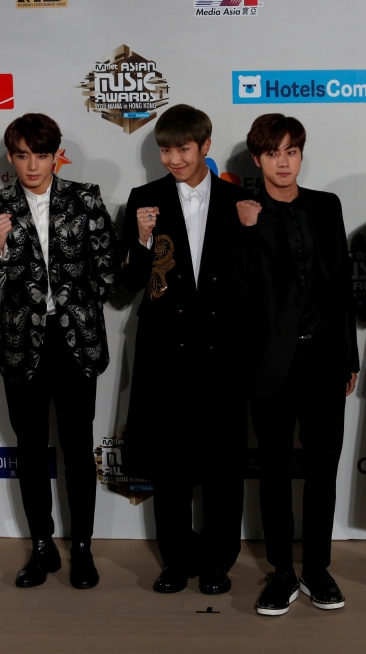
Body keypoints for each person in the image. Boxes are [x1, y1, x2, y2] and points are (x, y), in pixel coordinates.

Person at [0, 113, 120, 590]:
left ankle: (82, 547)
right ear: (11, 157)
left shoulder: (86, 197)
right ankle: (41, 547)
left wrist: (76, 300)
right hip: (21, 346)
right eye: (21, 156)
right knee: (31, 450)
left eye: (40, 155)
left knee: (78, 449)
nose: (32, 166)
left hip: (76, 343)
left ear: (55, 154)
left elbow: (108, 275)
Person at [231, 114, 359, 616]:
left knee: (324, 468)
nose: (283, 162)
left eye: (292, 151)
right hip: (270, 364)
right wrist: (244, 233)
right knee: (277, 471)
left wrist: (348, 356)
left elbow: (344, 286)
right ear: (258, 159)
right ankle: (282, 572)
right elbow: (238, 296)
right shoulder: (242, 211)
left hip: (325, 358)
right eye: (273, 153)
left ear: (301, 155)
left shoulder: (327, 206)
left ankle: (318, 570)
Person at [120, 104, 250, 595]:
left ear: (205, 147)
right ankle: (176, 559)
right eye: (165, 149)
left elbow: (249, 285)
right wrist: (142, 236)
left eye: (183, 149)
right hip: (165, 353)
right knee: (169, 464)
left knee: (222, 466)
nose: (173, 158)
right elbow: (128, 282)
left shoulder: (239, 200)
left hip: (222, 354)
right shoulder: (143, 199)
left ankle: (218, 560)